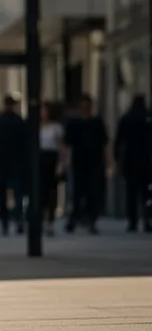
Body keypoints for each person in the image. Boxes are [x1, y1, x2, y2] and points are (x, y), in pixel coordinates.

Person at [64, 93, 109, 234]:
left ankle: (91, 220)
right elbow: (67, 144)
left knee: (93, 192)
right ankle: (74, 218)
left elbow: (104, 143)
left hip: (94, 162)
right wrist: (65, 161)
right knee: (77, 192)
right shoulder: (73, 123)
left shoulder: (96, 122)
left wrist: (109, 161)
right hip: (78, 162)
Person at [0, 95, 27, 236]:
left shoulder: (0, 120)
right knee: (15, 193)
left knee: (8, 194)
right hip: (11, 161)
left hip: (4, 161)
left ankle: (8, 222)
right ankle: (15, 220)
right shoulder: (16, 120)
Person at [114, 94, 152, 233]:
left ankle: (132, 221)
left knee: (131, 192)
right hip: (146, 159)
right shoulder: (147, 117)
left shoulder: (127, 118)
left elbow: (119, 140)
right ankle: (147, 219)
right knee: (146, 193)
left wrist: (117, 158)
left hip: (130, 159)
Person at [39, 102, 66, 236]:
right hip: (40, 159)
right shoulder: (35, 127)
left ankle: (50, 220)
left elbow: (62, 147)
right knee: (40, 192)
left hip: (51, 158)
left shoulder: (56, 128)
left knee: (52, 192)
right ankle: (41, 218)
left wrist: (61, 164)